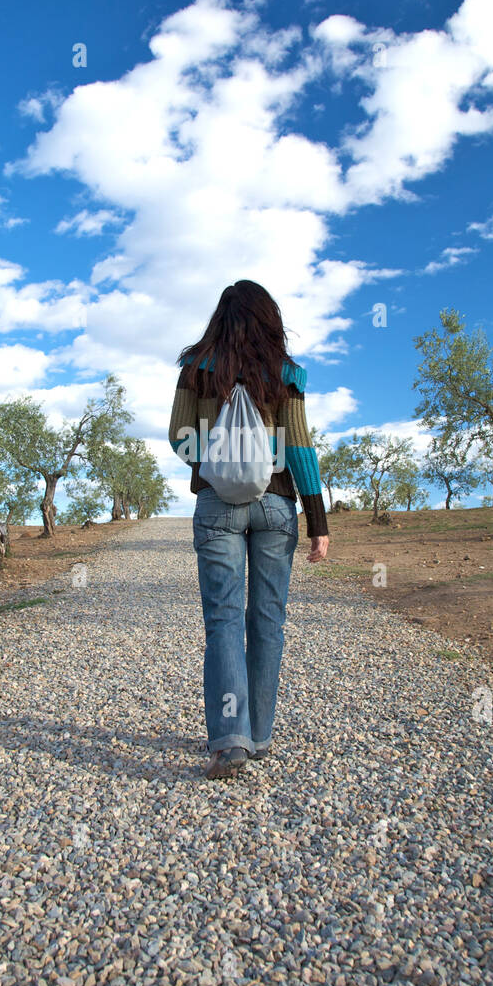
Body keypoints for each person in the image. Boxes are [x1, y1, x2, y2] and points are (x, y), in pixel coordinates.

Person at [168, 280, 329, 780]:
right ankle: (259, 737)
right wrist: (318, 521)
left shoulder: (197, 369)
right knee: (267, 621)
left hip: (218, 506)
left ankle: (229, 741)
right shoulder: (287, 374)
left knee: (222, 620)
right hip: (278, 506)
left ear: (221, 317)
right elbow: (300, 448)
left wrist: (215, 465)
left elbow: (178, 436)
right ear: (269, 319)